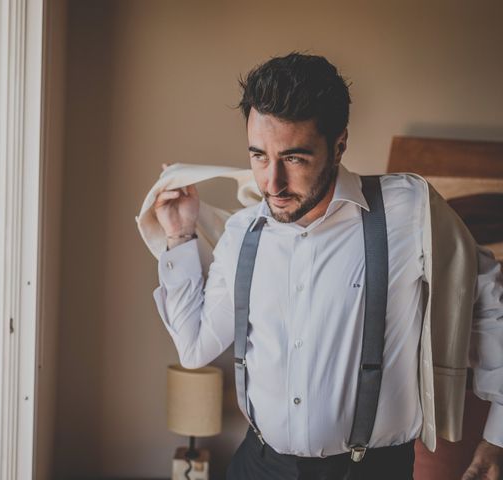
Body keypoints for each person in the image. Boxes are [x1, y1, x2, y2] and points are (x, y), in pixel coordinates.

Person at [151, 52, 503, 479]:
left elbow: (488, 303)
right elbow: (195, 347)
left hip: (369, 471)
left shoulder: (408, 210)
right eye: (259, 156)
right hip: (257, 466)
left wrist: (496, 439)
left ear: (339, 145)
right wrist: (179, 235)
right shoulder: (243, 233)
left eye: (294, 158)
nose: (273, 184)